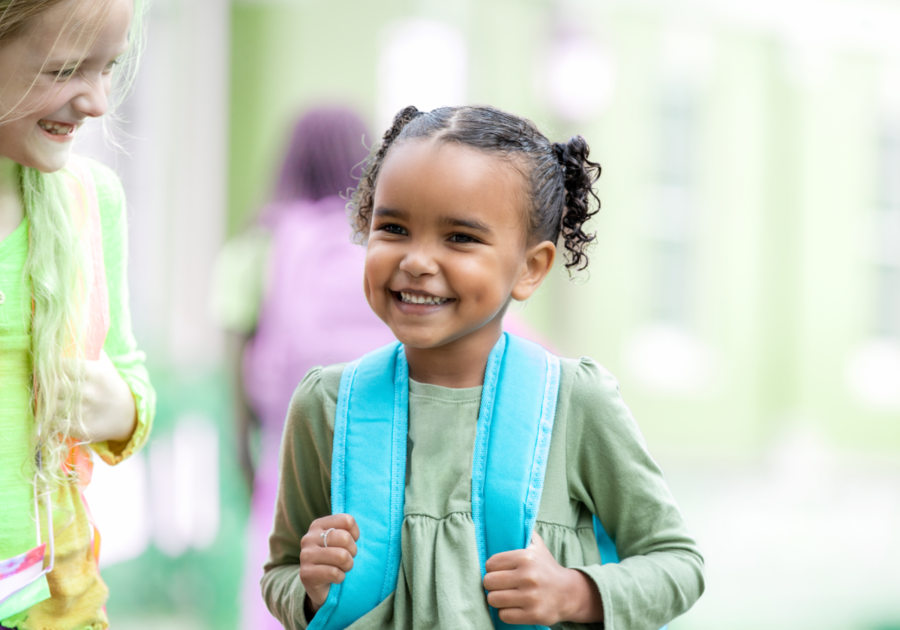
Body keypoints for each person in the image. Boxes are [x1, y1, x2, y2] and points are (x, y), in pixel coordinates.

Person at [261, 105, 705, 630]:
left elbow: (678, 563)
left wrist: (572, 593)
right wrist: (309, 590)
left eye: (460, 238)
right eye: (394, 227)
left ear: (530, 267)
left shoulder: (572, 401)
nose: (417, 261)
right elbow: (281, 572)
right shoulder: (328, 404)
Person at [212, 106, 398, 630]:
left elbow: (236, 368)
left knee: (285, 583)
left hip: (288, 443)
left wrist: (245, 459)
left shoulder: (258, 246)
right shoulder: (383, 245)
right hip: (379, 442)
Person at [0, 1, 154, 629]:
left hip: (53, 599)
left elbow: (132, 384)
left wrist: (115, 403)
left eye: (109, 67)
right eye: (64, 71)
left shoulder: (91, 202)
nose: (96, 102)